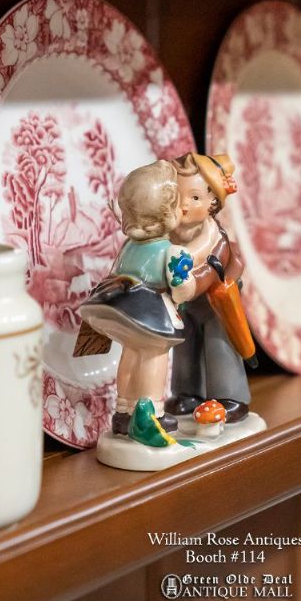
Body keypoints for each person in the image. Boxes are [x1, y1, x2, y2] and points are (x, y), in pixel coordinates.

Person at [78, 160, 195, 441]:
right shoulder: (172, 251)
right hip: (150, 314)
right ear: (169, 214)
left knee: (130, 353)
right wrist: (186, 279)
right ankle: (150, 410)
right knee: (153, 356)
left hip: (120, 308)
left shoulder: (128, 246)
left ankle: (123, 410)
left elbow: (116, 272)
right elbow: (182, 290)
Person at [164, 153, 251, 423]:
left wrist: (198, 284)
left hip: (216, 298)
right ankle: (188, 393)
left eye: (195, 198)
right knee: (185, 345)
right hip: (185, 300)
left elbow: (218, 267)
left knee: (219, 345)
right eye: (177, 198)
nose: (184, 206)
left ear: (213, 202)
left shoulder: (214, 237)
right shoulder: (170, 235)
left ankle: (230, 397)